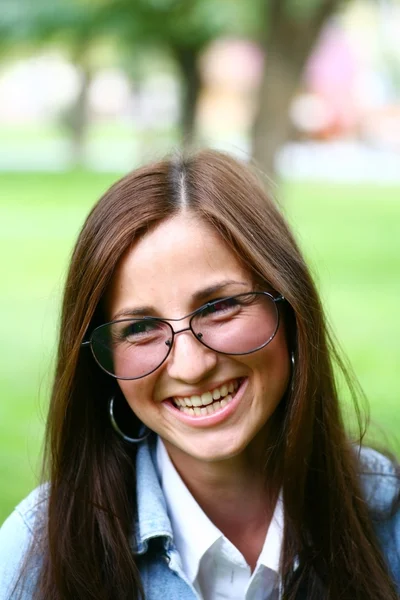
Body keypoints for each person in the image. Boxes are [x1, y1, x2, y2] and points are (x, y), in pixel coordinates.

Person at [0, 149, 399, 600]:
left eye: (219, 306)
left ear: (289, 308)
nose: (191, 367)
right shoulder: (31, 557)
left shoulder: (389, 520)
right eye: (140, 328)